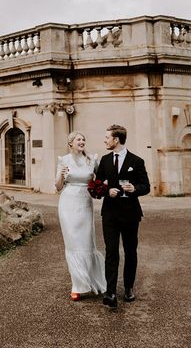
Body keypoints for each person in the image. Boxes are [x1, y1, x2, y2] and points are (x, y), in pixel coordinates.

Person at [95, 124, 150, 308]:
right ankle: (110, 293)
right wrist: (105, 191)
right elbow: (96, 185)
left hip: (130, 214)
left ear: (116, 139)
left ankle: (128, 288)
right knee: (111, 252)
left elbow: (146, 186)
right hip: (109, 213)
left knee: (130, 251)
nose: (105, 140)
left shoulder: (137, 161)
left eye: (107, 137)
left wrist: (135, 189)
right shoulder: (104, 160)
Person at [55, 131, 106, 301]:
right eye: (79, 139)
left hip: (84, 203)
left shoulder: (92, 160)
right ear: (71, 143)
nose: (82, 141)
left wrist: (101, 188)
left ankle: (92, 280)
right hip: (68, 202)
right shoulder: (64, 160)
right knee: (73, 243)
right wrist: (61, 174)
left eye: (84, 139)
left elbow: (103, 179)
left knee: (86, 242)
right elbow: (58, 186)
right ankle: (77, 286)